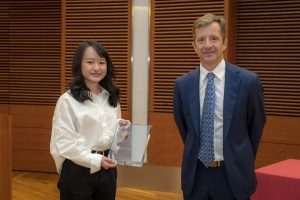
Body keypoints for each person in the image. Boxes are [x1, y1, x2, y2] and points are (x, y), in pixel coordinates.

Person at [173, 13, 266, 200]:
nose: (207, 45)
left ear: (224, 43)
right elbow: (186, 129)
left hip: (233, 177)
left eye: (214, 38)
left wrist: (238, 155)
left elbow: (255, 127)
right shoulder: (182, 84)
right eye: (201, 40)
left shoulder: (248, 82)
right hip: (196, 176)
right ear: (194, 46)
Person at [50, 40, 130, 200]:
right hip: (77, 171)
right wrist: (96, 159)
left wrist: (121, 129)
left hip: (108, 169)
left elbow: (109, 136)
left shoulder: (111, 97)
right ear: (79, 65)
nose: (96, 68)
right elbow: (65, 143)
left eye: (101, 62)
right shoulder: (67, 100)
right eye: (90, 62)